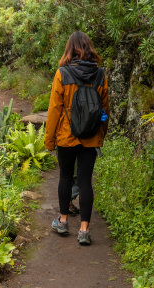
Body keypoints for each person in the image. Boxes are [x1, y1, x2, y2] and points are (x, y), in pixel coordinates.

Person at [44, 31, 109, 245]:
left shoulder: (62, 74)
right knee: (85, 181)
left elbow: (54, 110)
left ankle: (62, 221)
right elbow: (105, 110)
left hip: (66, 137)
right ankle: (84, 230)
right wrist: (101, 134)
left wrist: (49, 140)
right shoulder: (100, 75)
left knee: (65, 176)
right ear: (89, 49)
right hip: (90, 138)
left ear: (69, 49)